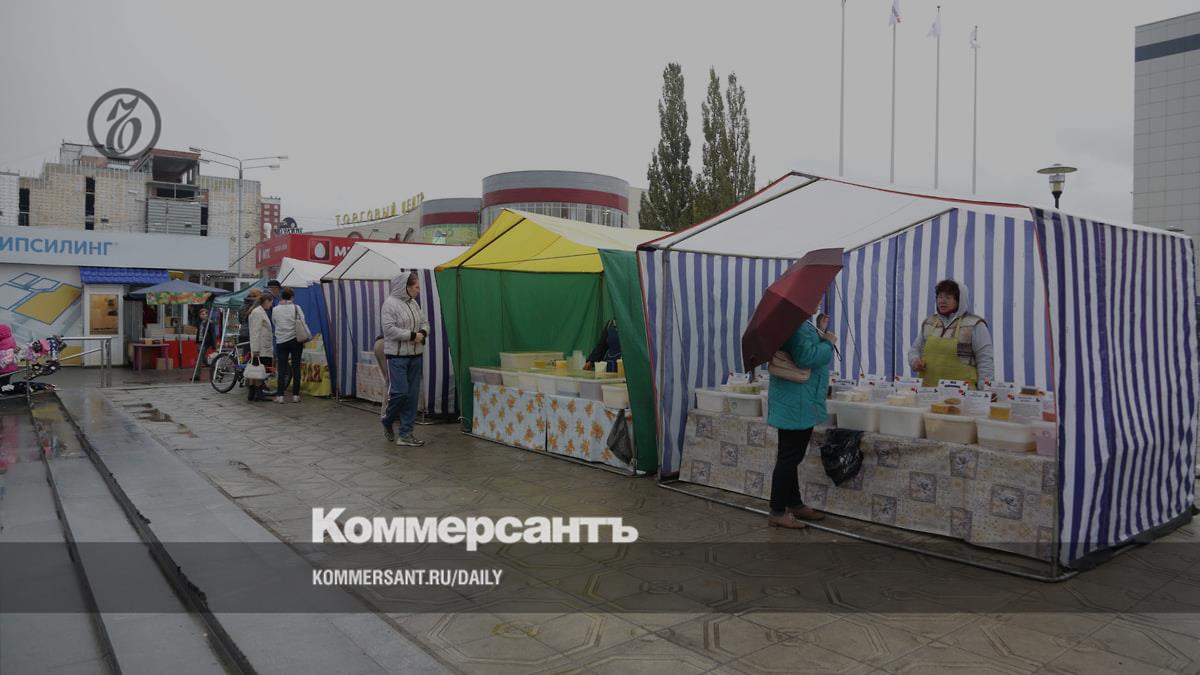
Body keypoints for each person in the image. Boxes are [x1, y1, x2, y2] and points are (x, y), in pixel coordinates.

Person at [765, 315, 836, 529]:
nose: (817, 301)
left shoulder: (798, 323)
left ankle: (794, 503)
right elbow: (805, 357)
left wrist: (820, 330)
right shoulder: (796, 325)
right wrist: (828, 343)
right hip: (797, 400)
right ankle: (777, 510)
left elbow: (804, 349)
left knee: (790, 456)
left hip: (797, 399)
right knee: (789, 457)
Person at [907, 279, 994, 388]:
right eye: (940, 297)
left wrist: (985, 390)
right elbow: (914, 349)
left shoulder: (975, 324)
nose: (942, 301)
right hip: (928, 392)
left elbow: (985, 360)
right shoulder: (929, 322)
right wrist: (915, 361)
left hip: (963, 394)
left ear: (959, 300)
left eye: (948, 297)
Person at [380, 272, 429, 447]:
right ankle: (387, 420)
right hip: (397, 357)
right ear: (405, 287)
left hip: (415, 356)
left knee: (412, 397)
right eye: (416, 287)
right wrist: (412, 336)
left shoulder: (414, 303)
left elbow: (424, 322)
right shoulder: (389, 304)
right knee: (400, 393)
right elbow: (388, 330)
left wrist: (423, 332)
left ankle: (406, 434)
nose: (418, 291)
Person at [272, 287, 307, 404]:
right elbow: (302, 321)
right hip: (295, 340)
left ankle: (280, 396)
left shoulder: (275, 309)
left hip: (281, 341)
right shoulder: (297, 308)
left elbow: (274, 322)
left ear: (281, 296)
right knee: (296, 367)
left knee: (282, 369)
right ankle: (295, 395)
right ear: (292, 297)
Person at [247, 294, 275, 402]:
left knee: (255, 369)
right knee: (259, 370)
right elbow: (255, 332)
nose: (271, 305)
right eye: (271, 302)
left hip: (261, 346)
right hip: (261, 347)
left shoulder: (258, 311)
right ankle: (258, 393)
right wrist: (255, 349)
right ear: (266, 301)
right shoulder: (258, 312)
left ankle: (252, 393)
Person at [238, 288, 261, 355]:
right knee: (252, 355)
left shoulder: (242, 305)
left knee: (245, 354)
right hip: (251, 333)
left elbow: (240, 320)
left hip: (243, 332)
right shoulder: (257, 306)